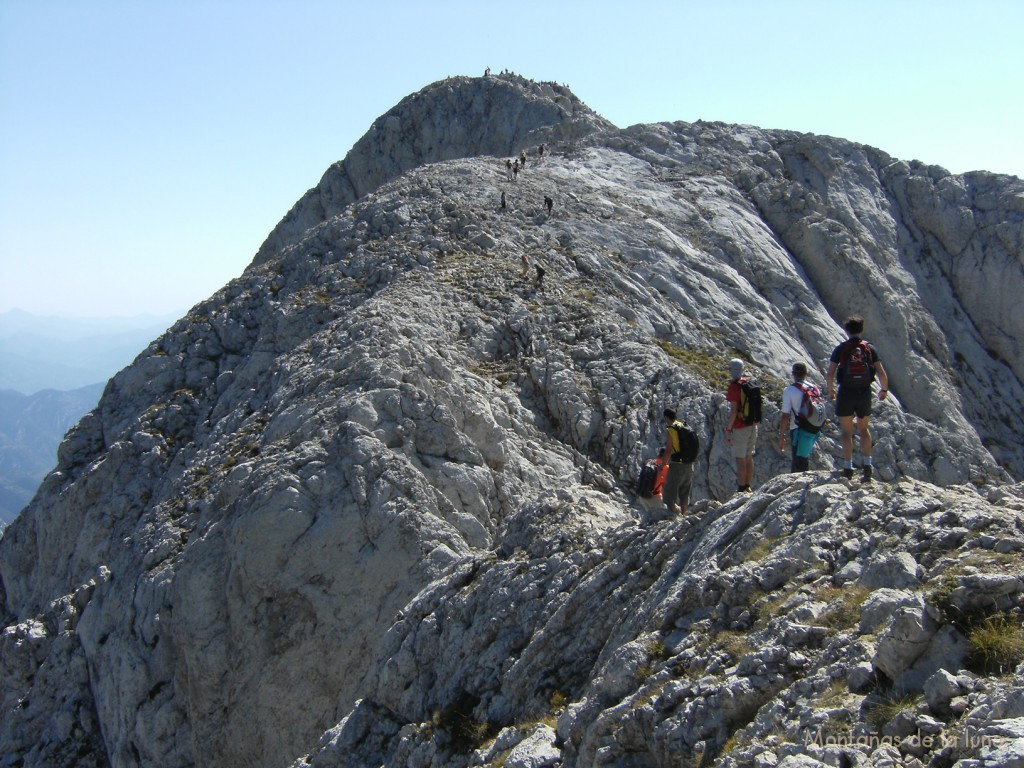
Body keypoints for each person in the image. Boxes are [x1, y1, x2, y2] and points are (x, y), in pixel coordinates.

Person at [826, 315, 889, 481]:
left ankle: (848, 467)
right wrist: (884, 390)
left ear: (847, 330)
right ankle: (867, 465)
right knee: (863, 428)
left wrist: (831, 390)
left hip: (846, 391)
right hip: (864, 392)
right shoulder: (869, 348)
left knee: (846, 431)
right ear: (861, 330)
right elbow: (881, 372)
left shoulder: (841, 349)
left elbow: (830, 373)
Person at [778, 362, 822, 472]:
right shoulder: (814, 388)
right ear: (806, 373)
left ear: (793, 374)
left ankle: (800, 484)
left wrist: (782, 435)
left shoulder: (789, 390)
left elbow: (785, 416)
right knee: (804, 456)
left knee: (798, 459)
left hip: (798, 428)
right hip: (814, 427)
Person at [724, 359, 757, 493]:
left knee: (740, 457)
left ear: (732, 370)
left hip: (740, 426)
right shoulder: (748, 383)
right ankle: (748, 486)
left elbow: (734, 411)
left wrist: (728, 430)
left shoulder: (734, 386)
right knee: (749, 456)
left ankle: (741, 488)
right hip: (753, 425)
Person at [659, 409, 693, 516]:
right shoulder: (684, 426)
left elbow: (669, 449)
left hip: (677, 464)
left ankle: (672, 517)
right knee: (684, 491)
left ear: (666, 418)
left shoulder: (671, 429)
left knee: (670, 492)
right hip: (689, 464)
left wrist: (663, 465)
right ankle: (685, 515)